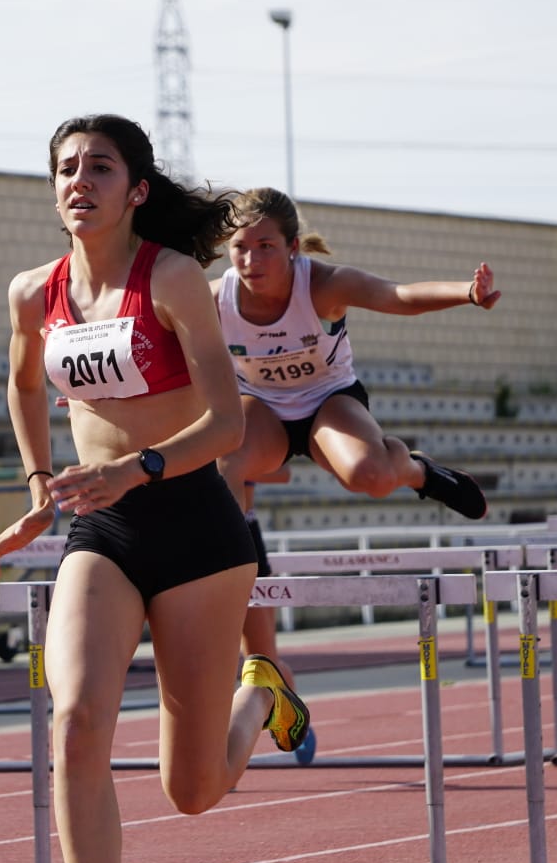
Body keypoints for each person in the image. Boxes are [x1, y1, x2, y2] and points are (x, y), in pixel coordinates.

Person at [0, 116, 310, 863]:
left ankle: (261, 688)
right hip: (104, 530)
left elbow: (229, 425)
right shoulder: (33, 293)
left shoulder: (170, 280)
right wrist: (36, 488)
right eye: (66, 169)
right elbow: (24, 385)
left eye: (99, 167)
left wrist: (137, 467)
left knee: (191, 790)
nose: (79, 181)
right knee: (77, 722)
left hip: (197, 525)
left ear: (138, 190)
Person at [213, 187, 501, 762]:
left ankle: (414, 470)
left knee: (368, 475)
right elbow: (144, 336)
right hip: (261, 411)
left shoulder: (322, 284)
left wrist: (466, 293)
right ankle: (254, 633)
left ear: (293, 248)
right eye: (240, 248)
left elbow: (397, 295)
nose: (251, 260)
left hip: (328, 402)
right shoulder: (211, 299)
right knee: (224, 464)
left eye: (265, 246)